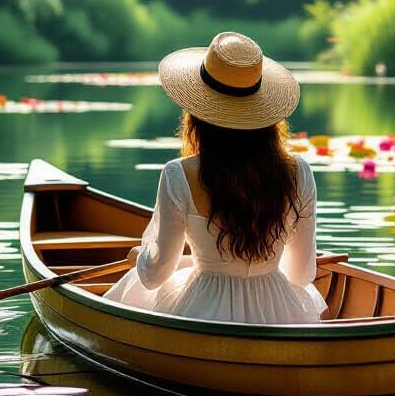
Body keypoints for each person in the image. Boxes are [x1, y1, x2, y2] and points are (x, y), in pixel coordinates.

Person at [105, 31, 324, 325]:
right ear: (266, 116)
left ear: (197, 115)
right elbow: (300, 275)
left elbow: (156, 275)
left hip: (201, 311)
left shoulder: (179, 174)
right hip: (281, 313)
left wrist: (140, 260)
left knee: (134, 286)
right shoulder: (300, 172)